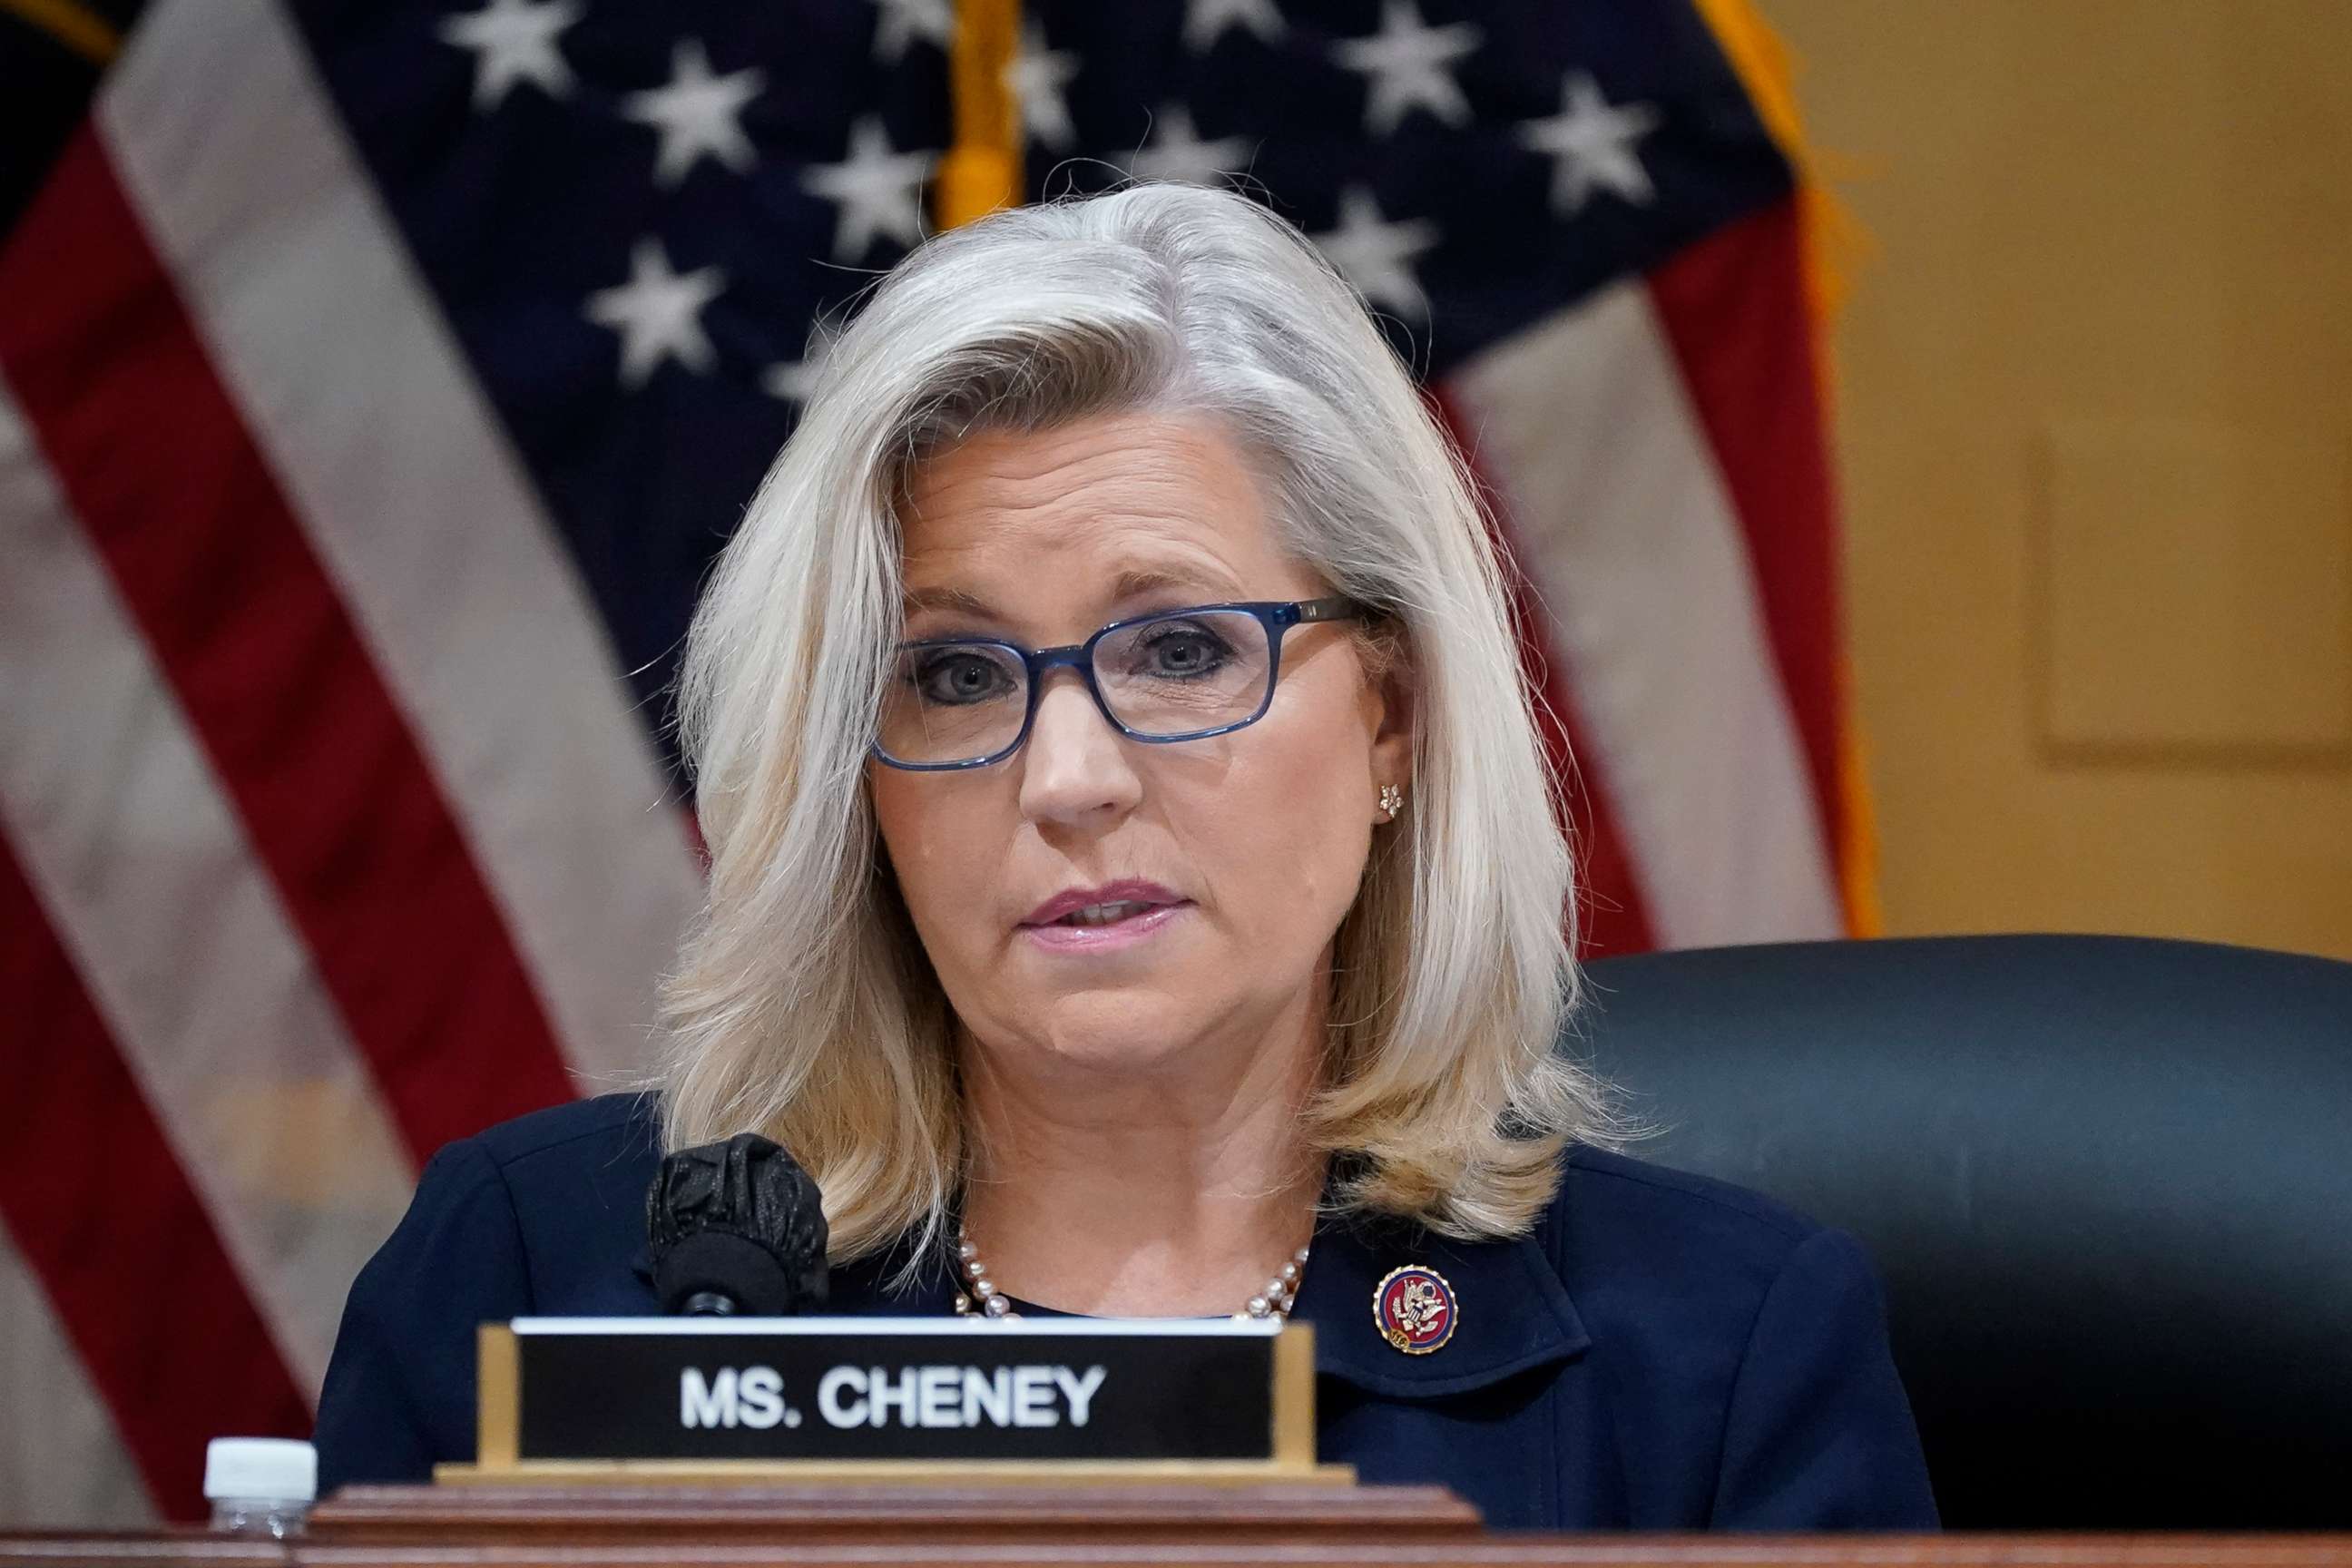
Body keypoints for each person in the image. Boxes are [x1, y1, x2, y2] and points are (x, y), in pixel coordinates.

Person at [312, 182, 1936, 1529]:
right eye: (953, 676)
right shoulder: (543, 1279)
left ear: (1392, 715)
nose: (1066, 779)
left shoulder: (1720, 1362)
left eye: (1176, 652)